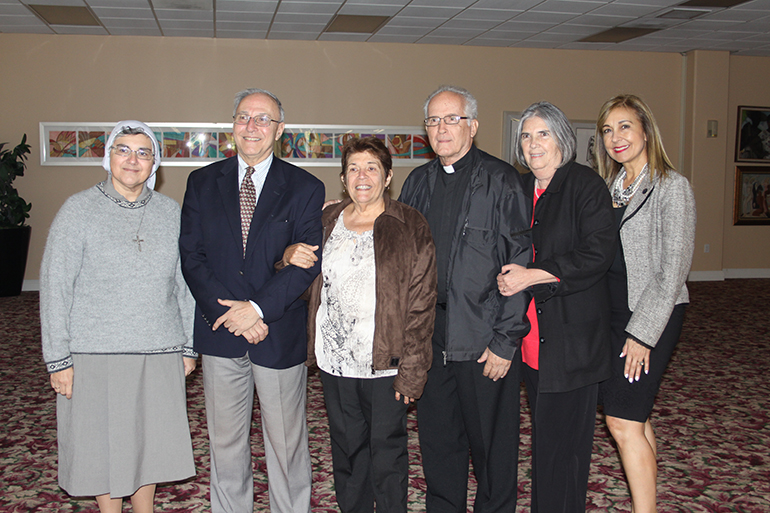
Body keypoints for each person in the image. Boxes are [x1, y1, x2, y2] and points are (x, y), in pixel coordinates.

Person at [179, 88, 324, 513]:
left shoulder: (304, 187)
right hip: (222, 333)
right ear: (233, 125)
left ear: (279, 129)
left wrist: (257, 310)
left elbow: (305, 263)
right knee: (224, 444)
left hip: (276, 333)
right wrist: (233, 315)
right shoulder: (202, 182)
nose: (252, 126)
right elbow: (193, 258)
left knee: (286, 445)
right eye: (245, 117)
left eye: (264, 119)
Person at [40, 120, 197, 513]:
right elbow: (55, 287)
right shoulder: (78, 210)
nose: (133, 159)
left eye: (144, 152)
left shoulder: (170, 212)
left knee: (150, 442)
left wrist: (189, 346)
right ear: (107, 157)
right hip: (95, 354)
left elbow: (186, 285)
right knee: (102, 445)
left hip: (160, 350)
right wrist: (58, 359)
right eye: (123, 149)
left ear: (155, 163)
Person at [281, 136, 437, 512]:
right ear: (343, 177)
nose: (362, 176)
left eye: (371, 168)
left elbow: (422, 302)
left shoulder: (409, 223)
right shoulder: (325, 221)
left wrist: (413, 370)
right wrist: (287, 257)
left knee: (387, 456)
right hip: (335, 363)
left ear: (387, 178)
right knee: (348, 455)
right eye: (353, 168)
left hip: (386, 363)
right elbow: (304, 285)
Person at [398, 85, 531, 512]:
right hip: (430, 336)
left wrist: (506, 340)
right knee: (439, 444)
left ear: (472, 126)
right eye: (433, 120)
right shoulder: (417, 182)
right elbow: (398, 254)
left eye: (451, 119)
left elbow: (519, 260)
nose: (441, 129)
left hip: (482, 338)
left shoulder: (501, 180)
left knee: (492, 449)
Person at [497, 101, 616, 512]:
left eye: (542, 134)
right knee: (544, 442)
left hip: (572, 344)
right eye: (526, 136)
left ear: (562, 138)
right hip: (530, 341)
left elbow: (597, 255)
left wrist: (533, 274)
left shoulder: (585, 185)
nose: (533, 144)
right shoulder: (519, 187)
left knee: (564, 452)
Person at [595, 94, 696, 513]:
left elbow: (672, 273)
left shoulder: (672, 187)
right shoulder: (609, 189)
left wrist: (641, 335)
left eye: (624, 126)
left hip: (652, 314)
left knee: (621, 419)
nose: (615, 138)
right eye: (607, 130)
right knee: (634, 415)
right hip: (612, 315)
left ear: (645, 130)